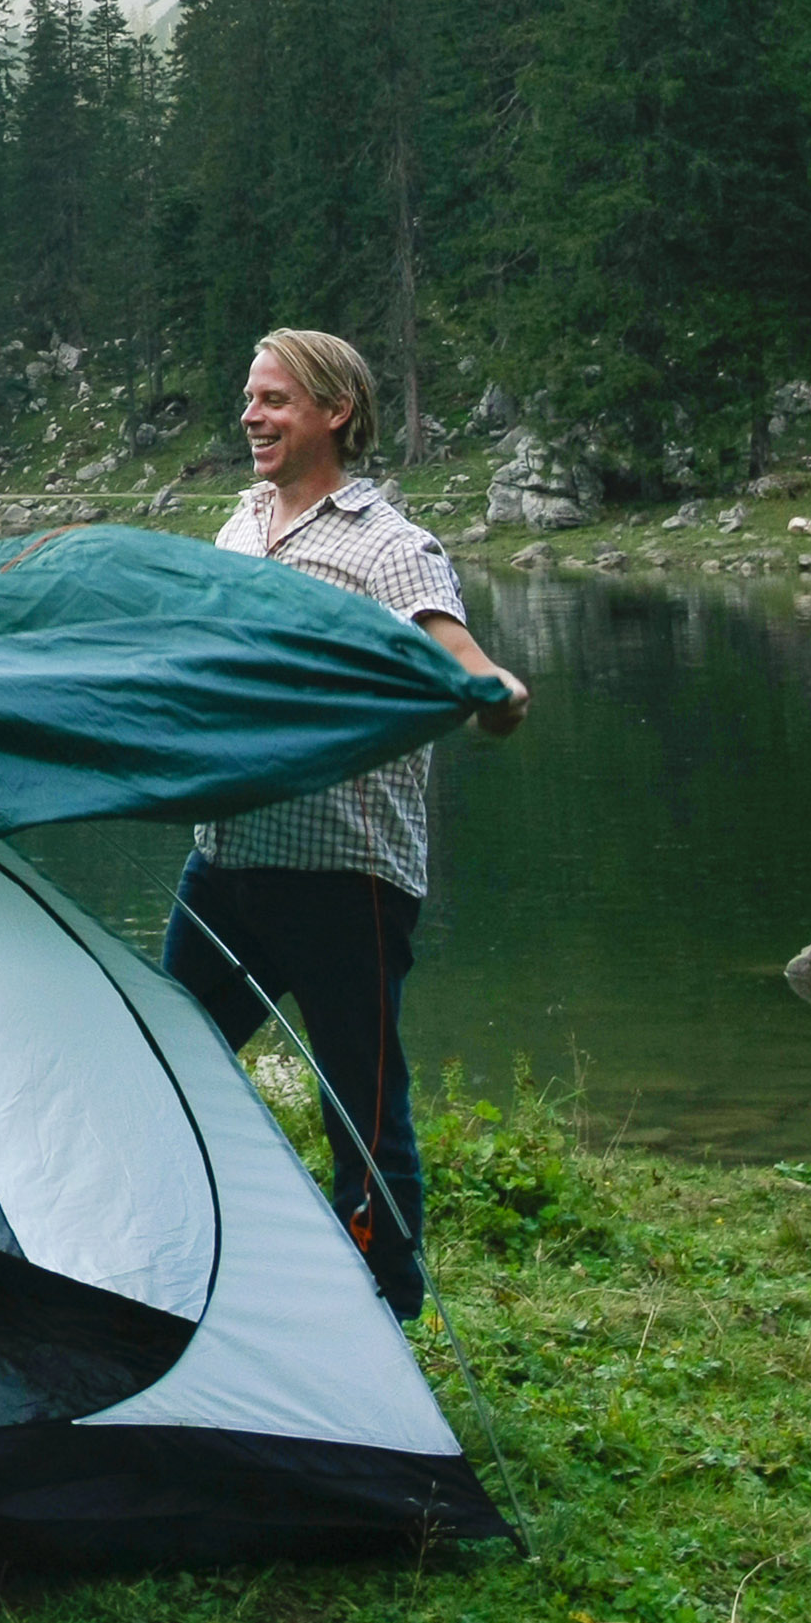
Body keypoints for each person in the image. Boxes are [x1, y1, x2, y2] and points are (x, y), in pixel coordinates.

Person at [163, 328, 530, 1319]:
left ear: (334, 411)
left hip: (344, 877)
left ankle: (384, 1307)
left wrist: (489, 689)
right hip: (223, 861)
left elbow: (451, 649)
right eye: (248, 397)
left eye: (275, 399)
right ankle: (175, 1261)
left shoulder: (387, 545)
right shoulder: (238, 526)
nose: (251, 416)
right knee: (166, 1062)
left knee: (360, 1108)